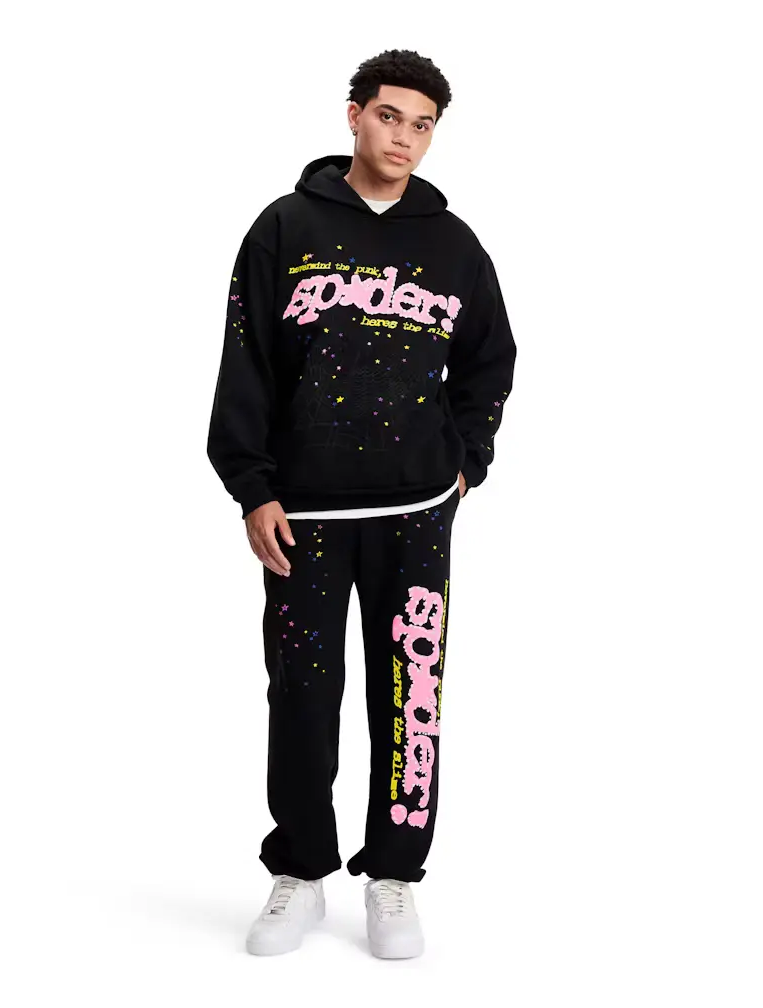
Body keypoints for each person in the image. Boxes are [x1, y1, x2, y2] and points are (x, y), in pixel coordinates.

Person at [207, 48, 517, 958]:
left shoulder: (455, 245)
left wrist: (468, 463)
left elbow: (491, 360)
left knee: (411, 697)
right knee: (302, 698)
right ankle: (301, 872)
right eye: (390, 116)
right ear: (354, 116)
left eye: (423, 125)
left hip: (418, 514)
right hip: (303, 517)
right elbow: (245, 361)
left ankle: (394, 876)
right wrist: (252, 488)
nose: (404, 138)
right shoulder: (285, 226)